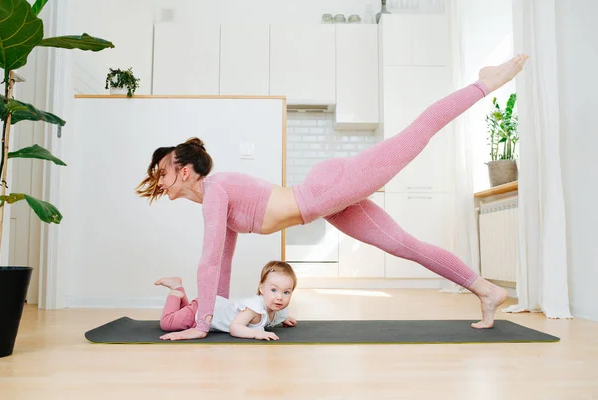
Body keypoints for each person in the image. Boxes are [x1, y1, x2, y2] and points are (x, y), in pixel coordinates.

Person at [137, 54, 529, 340]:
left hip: (326, 191)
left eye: (163, 173)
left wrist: (201, 325)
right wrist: (218, 316)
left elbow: (207, 260)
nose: (160, 182)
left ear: (184, 171)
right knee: (403, 245)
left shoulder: (216, 188)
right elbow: (221, 259)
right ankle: (487, 290)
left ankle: (485, 83)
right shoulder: (216, 196)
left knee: (413, 137)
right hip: (325, 205)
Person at [156, 260, 298, 341]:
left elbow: (273, 315)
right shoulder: (253, 308)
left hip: (210, 307)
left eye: (286, 292)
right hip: (200, 312)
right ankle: (176, 289)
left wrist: (283, 319)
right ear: (261, 288)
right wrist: (258, 334)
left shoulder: (278, 308)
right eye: (274, 290)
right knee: (167, 322)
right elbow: (235, 328)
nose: (280, 297)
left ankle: (181, 296)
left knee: (181, 315)